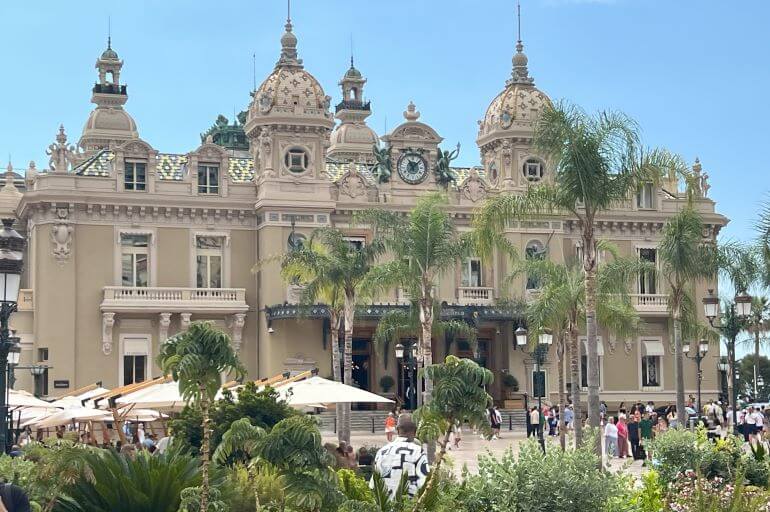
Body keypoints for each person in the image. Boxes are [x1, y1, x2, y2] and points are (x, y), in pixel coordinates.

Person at [371, 414, 429, 498]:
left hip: (385, 505)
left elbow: (374, 484)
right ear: (415, 431)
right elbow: (423, 484)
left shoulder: (382, 451)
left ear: (397, 430)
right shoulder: (418, 452)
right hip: (409, 506)